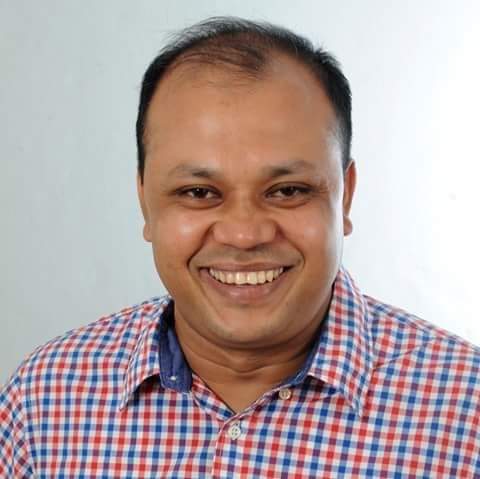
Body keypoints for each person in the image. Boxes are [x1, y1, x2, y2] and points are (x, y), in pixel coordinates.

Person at [1, 16, 479, 478]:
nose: (245, 234)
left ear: (345, 196)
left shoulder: (467, 410)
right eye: (198, 193)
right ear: (145, 200)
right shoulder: (43, 401)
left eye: (287, 191)